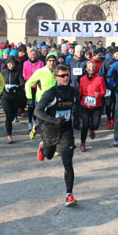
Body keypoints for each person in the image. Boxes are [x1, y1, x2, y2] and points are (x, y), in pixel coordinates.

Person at [35, 65, 78, 207]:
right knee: (49, 155)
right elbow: (38, 111)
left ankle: (69, 195)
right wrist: (53, 120)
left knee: (68, 162)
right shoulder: (50, 93)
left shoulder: (73, 91)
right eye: (62, 75)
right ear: (56, 77)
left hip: (66, 130)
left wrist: (79, 118)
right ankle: (43, 148)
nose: (66, 77)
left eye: (67, 75)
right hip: (50, 129)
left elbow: (76, 108)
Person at [25, 52, 58, 139]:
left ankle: (49, 146)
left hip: (53, 101)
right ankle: (36, 127)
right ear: (46, 62)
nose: (51, 63)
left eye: (53, 61)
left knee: (51, 125)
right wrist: (29, 97)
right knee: (42, 124)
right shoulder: (40, 71)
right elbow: (28, 83)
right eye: (50, 61)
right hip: (41, 101)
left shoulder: (58, 71)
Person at [78, 60, 106, 152]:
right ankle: (83, 143)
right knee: (84, 125)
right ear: (86, 68)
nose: (91, 69)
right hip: (85, 105)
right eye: (90, 67)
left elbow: (104, 92)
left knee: (95, 124)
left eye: (93, 67)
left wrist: (100, 94)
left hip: (96, 105)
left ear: (96, 69)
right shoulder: (82, 79)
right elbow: (80, 92)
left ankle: (92, 129)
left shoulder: (100, 79)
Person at [1, 57, 25, 144]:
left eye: (13, 64)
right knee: (8, 115)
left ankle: (9, 124)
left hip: (15, 97)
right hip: (5, 97)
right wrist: (4, 88)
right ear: (7, 64)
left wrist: (16, 87)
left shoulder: (18, 72)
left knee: (12, 115)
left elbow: (22, 83)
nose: (11, 65)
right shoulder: (3, 72)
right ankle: (9, 135)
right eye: (9, 64)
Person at [100, 47, 118, 129]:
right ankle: (109, 119)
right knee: (108, 104)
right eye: (116, 54)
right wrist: (103, 85)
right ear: (113, 54)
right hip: (108, 87)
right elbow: (102, 73)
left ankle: (113, 119)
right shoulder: (107, 62)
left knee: (116, 105)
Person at [23, 48, 44, 130]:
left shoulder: (40, 63)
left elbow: (42, 73)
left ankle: (35, 120)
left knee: (37, 105)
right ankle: (29, 121)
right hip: (29, 87)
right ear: (29, 55)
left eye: (35, 54)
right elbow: (24, 75)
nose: (33, 56)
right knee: (30, 105)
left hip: (38, 87)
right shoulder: (25, 63)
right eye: (32, 54)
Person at [68, 45, 89, 129]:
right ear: (75, 52)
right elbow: (68, 72)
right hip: (72, 85)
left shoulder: (86, 61)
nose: (79, 53)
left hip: (83, 87)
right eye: (78, 51)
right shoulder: (70, 61)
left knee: (81, 105)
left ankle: (78, 122)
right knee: (72, 105)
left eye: (81, 51)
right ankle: (71, 121)